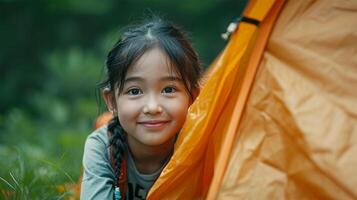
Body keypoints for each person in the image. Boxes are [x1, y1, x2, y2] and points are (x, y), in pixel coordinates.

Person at [80, 17, 201, 200]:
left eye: (169, 89)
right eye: (135, 91)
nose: (152, 107)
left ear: (193, 97)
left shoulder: (201, 145)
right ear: (112, 101)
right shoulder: (103, 147)